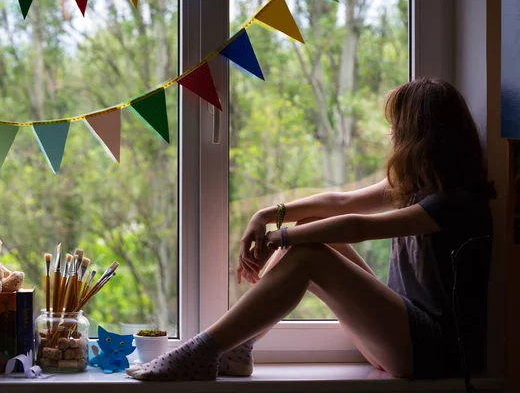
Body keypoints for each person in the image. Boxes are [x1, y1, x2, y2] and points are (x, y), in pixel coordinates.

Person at [126, 77, 496, 381]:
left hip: (434, 355)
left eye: (396, 128)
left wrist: (281, 238)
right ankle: (237, 351)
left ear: (420, 135)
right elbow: (340, 203)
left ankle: (205, 350)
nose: (391, 136)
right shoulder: (417, 188)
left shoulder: (457, 203)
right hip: (399, 338)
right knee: (312, 226)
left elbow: (360, 226)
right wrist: (268, 215)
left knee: (309, 253)